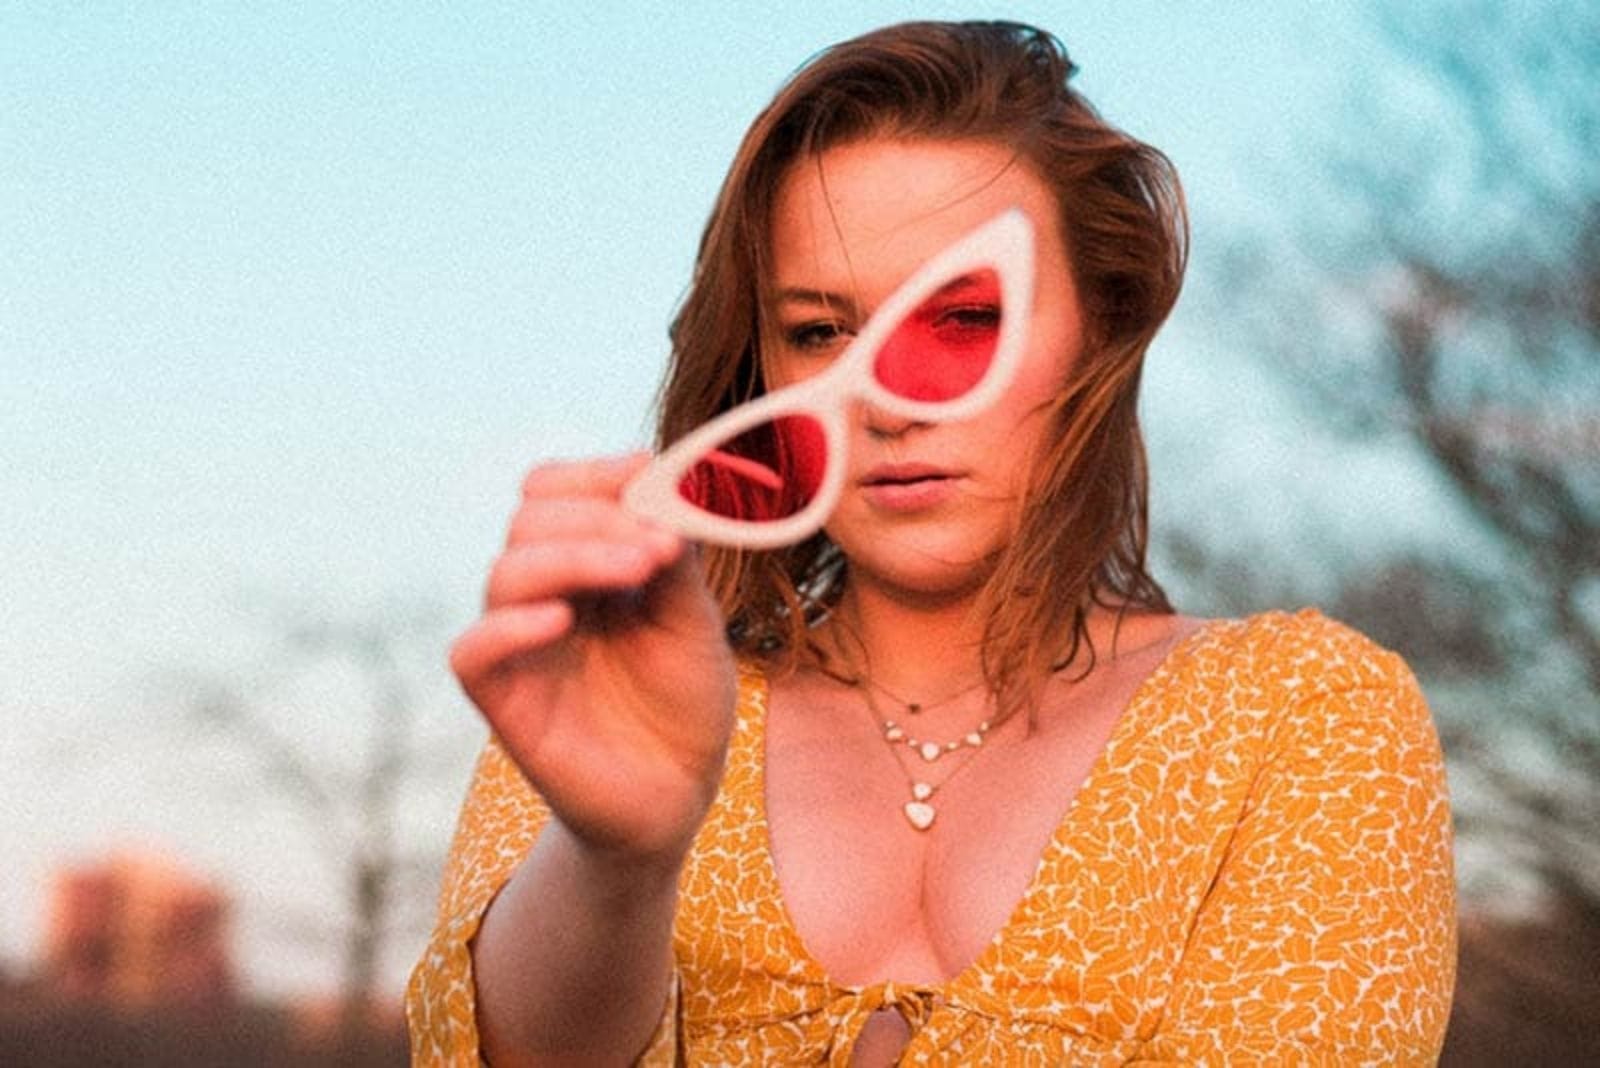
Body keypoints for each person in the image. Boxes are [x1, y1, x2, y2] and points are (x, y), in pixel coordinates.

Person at [407, 20, 1456, 1066]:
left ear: (1102, 323)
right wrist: (617, 860)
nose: (887, 404)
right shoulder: (612, 699)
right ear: (759, 370)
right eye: (819, 332)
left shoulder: (1298, 715)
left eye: (961, 321)